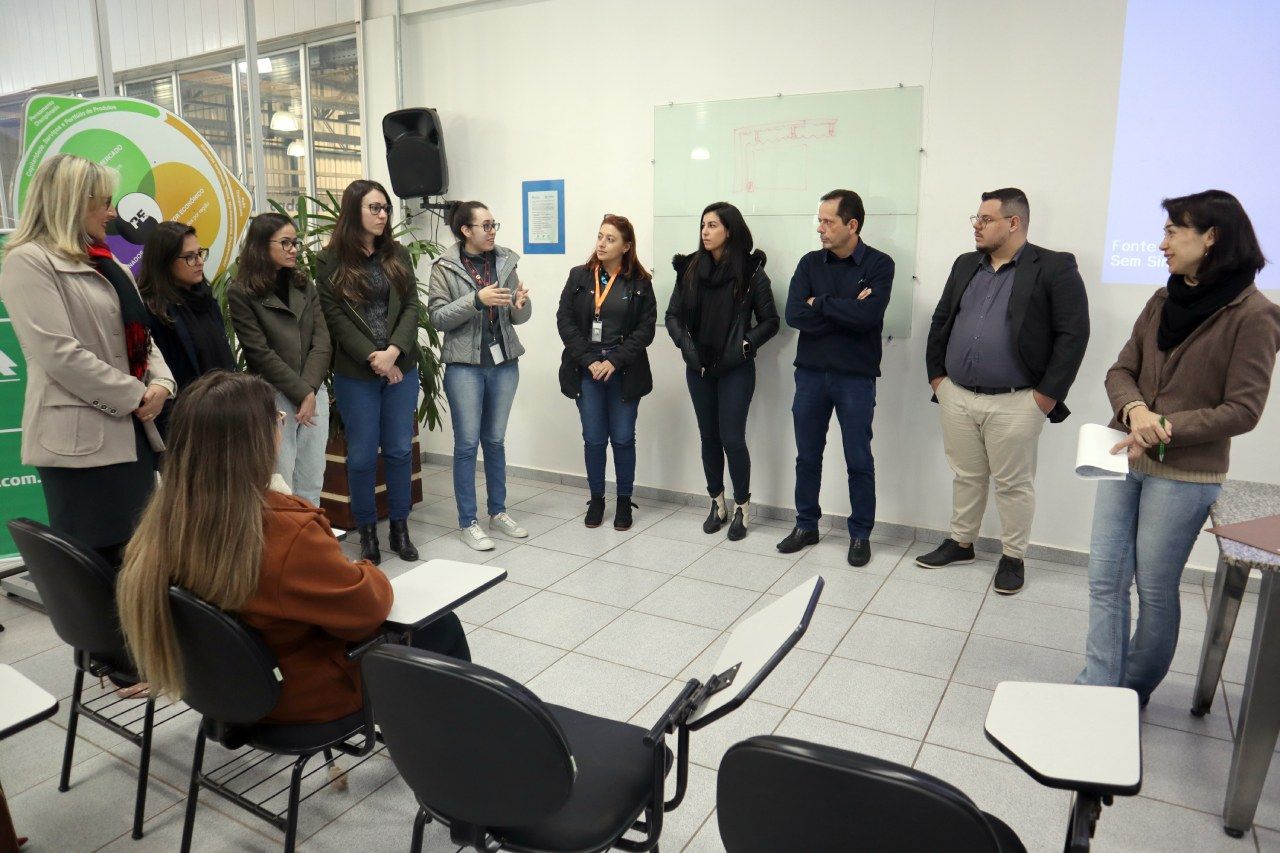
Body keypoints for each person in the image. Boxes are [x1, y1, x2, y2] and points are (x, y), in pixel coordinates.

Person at [115, 371, 470, 725]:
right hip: (295, 698)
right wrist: (367, 570)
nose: (281, 426)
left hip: (222, 691)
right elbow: (367, 609)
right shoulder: (285, 530)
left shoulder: (163, 520)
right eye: (277, 418)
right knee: (440, 626)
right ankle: (456, 745)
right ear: (257, 441)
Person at [1077, 190, 1280, 704]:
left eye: (1173, 231)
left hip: (1185, 474)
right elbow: (1120, 369)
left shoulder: (1255, 315)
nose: (1162, 243)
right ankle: (1097, 689)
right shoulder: (1164, 298)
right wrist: (1136, 412)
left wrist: (1162, 426)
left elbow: (1244, 409)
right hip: (1124, 455)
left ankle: (1130, 692)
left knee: (1154, 590)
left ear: (1211, 237)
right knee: (1105, 579)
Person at [0, 153, 175, 569]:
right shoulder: (28, 261)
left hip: (133, 432)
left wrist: (163, 384)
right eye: (104, 201)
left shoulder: (107, 260)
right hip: (80, 447)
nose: (113, 213)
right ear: (72, 201)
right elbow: (59, 354)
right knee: (96, 573)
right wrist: (136, 394)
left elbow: (143, 336)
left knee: (138, 562)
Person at [916, 188, 1090, 594]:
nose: (977, 226)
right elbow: (943, 319)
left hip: (1018, 399)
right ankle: (961, 543)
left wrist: (1045, 397)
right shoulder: (965, 265)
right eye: (975, 219)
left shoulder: (1053, 267)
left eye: (986, 219)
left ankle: (1013, 556)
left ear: (1014, 223)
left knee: (1013, 484)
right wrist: (937, 379)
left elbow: (1073, 334)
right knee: (967, 475)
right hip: (957, 394)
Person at [776, 190, 896, 566]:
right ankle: (806, 525)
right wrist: (846, 309)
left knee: (858, 458)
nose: (820, 227)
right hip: (810, 375)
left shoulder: (880, 264)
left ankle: (860, 534)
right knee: (807, 456)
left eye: (828, 221)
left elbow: (868, 318)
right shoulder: (810, 263)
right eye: (820, 220)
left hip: (855, 379)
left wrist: (821, 303)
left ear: (852, 225)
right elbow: (795, 314)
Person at [316, 180, 421, 565]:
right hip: (356, 373)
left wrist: (393, 352)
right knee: (360, 456)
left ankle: (400, 527)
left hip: (401, 368)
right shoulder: (329, 261)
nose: (382, 215)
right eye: (374, 208)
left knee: (397, 450)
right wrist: (374, 358)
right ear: (353, 211)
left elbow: (411, 306)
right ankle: (368, 534)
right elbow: (335, 318)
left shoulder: (398, 255)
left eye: (385, 209)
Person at [666, 202, 778, 540]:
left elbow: (771, 321)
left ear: (729, 230)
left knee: (732, 438)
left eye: (713, 225)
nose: (705, 232)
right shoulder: (689, 269)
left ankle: (742, 506)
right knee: (709, 438)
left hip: (735, 368)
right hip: (697, 367)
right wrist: (685, 346)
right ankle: (717, 502)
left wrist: (747, 344)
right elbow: (672, 316)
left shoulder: (751, 271)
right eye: (703, 225)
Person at [428, 201, 532, 551]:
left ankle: (498, 512)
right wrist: (476, 299)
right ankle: (468, 521)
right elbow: (438, 318)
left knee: (496, 441)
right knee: (467, 445)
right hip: (464, 367)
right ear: (465, 231)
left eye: (493, 225)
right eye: (485, 225)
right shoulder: (444, 266)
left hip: (503, 364)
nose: (492, 231)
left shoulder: (506, 261)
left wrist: (521, 305)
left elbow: (520, 317)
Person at [556, 214, 657, 530]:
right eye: (600, 236)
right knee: (594, 439)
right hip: (587, 370)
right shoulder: (579, 277)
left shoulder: (640, 283)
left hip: (623, 371)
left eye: (610, 239)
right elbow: (565, 321)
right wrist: (590, 361)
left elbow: (646, 330)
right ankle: (597, 499)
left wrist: (614, 361)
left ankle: (624, 501)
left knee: (624, 438)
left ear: (626, 246)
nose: (601, 243)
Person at [229, 212, 332, 505]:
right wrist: (302, 392)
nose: (293, 249)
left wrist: (310, 390)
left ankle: (309, 542)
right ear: (261, 246)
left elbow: (322, 340)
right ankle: (284, 544)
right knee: (280, 480)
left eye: (295, 242)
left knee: (312, 478)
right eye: (284, 243)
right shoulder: (242, 292)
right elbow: (259, 352)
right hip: (275, 394)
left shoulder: (303, 283)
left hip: (314, 391)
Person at [137, 221, 235, 435]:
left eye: (200, 253)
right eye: (189, 257)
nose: (199, 261)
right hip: (184, 424)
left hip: (224, 412)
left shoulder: (206, 298)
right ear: (165, 261)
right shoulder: (153, 311)